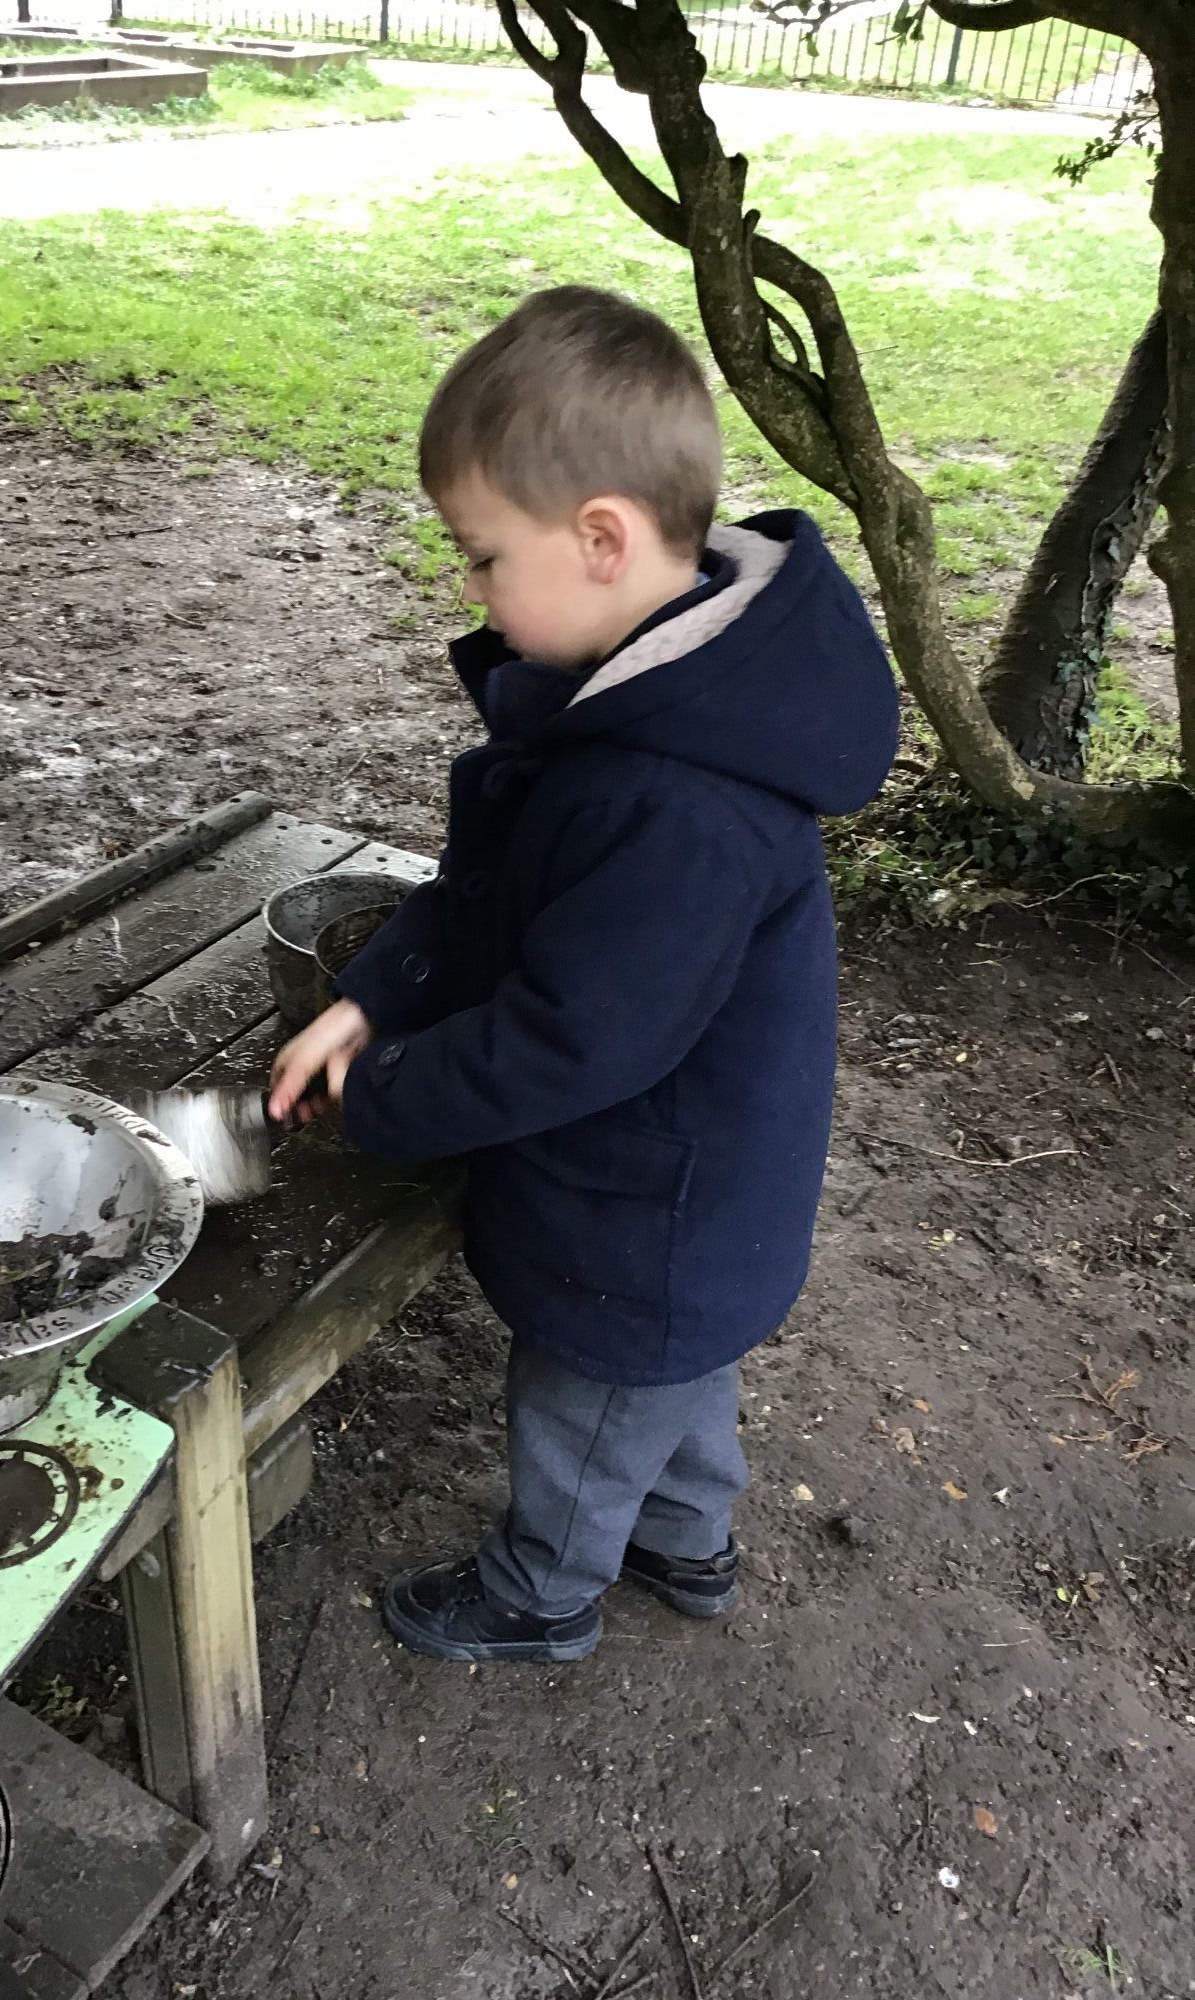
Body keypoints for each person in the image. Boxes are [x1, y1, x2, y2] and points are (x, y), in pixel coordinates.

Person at [269, 284, 899, 1664]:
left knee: (593, 1397)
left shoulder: (676, 799)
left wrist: (386, 1094)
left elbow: (574, 1040)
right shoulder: (640, 695)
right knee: (676, 1381)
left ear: (601, 538)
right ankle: (689, 1540)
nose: (471, 590)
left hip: (652, 1208)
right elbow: (494, 896)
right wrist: (375, 993)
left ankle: (542, 1593)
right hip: (692, 1205)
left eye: (483, 556)